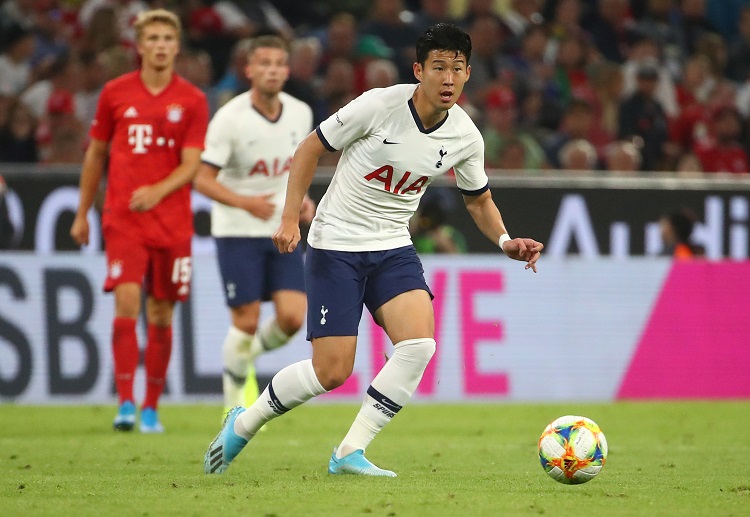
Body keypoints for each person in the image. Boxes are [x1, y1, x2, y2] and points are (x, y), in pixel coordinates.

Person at [204, 22, 543, 477]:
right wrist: (289, 218)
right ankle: (244, 422)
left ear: (467, 74)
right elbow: (308, 149)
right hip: (336, 245)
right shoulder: (378, 105)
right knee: (332, 372)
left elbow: (478, 198)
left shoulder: (465, 135)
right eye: (438, 67)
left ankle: (349, 452)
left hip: (392, 247)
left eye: (457, 69)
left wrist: (505, 241)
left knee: (419, 345)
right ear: (419, 70)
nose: (447, 79)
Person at [69, 9, 209, 433]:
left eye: (169, 37)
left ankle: (151, 406)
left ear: (177, 46)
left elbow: (191, 165)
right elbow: (95, 154)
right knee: (127, 302)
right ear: (140, 45)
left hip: (171, 221)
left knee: (161, 313)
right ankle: (126, 403)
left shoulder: (192, 100)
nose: (161, 45)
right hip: (123, 218)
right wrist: (82, 212)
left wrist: (157, 191)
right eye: (154, 38)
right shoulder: (115, 93)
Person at [193, 34, 315, 417]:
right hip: (237, 230)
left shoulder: (300, 112)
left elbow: (297, 168)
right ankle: (234, 408)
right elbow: (202, 178)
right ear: (249, 70)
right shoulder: (230, 118)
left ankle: (243, 356)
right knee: (245, 321)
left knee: (293, 317)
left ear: (287, 69)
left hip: (281, 227)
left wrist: (301, 201)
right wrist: (246, 202)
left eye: (279, 63)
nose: (273, 71)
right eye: (264, 64)